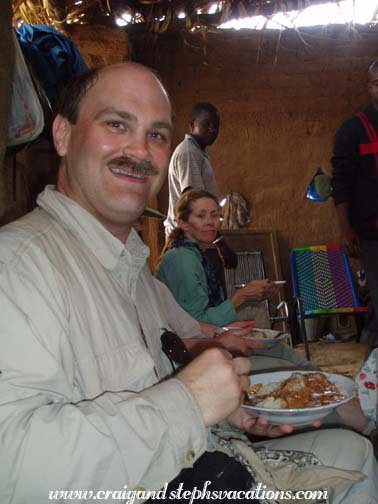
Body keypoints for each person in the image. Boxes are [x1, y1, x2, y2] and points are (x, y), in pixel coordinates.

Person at [0, 63, 377, 503]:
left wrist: (222, 412)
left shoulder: (130, 271)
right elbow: (13, 472)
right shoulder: (18, 266)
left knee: (353, 454)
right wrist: (188, 403)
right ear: (63, 134)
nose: (139, 150)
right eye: (117, 123)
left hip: (194, 459)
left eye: (157, 135)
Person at [157, 189, 279, 327]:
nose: (210, 222)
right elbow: (196, 323)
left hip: (197, 325)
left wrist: (255, 293)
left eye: (214, 215)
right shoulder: (181, 259)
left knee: (255, 310)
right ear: (183, 223)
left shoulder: (197, 253)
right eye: (201, 216)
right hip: (185, 335)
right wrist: (242, 295)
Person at [331, 59, 378, 346]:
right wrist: (346, 229)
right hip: (372, 236)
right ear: (370, 87)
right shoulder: (352, 130)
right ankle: (370, 370)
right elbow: (341, 183)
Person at [164, 102, 220, 236]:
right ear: (192, 124)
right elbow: (194, 200)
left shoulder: (196, 152)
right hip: (187, 237)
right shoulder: (189, 152)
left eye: (216, 125)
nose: (212, 129)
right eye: (206, 124)